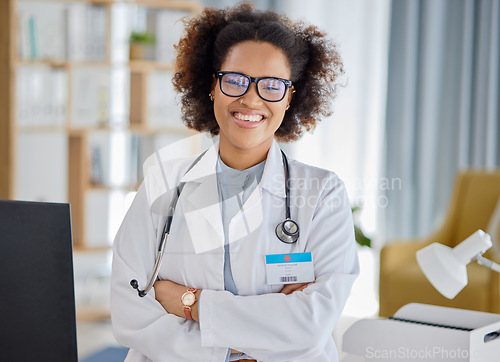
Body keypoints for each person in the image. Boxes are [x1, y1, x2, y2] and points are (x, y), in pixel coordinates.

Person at [111, 3, 359, 361]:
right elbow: (129, 313)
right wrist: (251, 339)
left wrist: (190, 302)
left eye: (271, 85)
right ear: (213, 86)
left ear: (290, 97)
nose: (251, 98)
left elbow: (310, 327)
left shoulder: (322, 193)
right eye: (235, 80)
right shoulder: (162, 184)